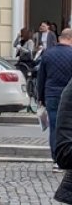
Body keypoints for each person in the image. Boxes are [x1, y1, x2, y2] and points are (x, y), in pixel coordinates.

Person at [36, 28, 72, 172]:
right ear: (69, 38)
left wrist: (40, 97)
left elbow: (41, 78)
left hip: (51, 94)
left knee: (54, 128)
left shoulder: (48, 54)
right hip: (68, 96)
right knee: (68, 129)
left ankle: (56, 160)